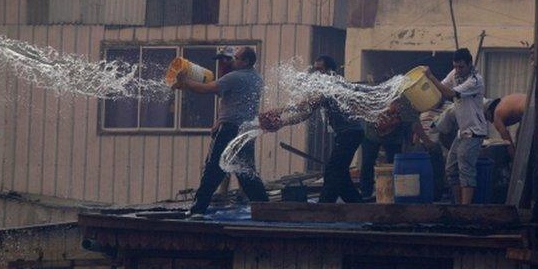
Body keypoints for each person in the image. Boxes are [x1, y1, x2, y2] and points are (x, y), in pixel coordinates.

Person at [175, 46, 269, 216]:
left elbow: (205, 89)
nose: (233, 60)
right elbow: (236, 102)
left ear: (246, 61)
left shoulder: (234, 77)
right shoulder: (257, 78)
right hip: (246, 130)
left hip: (230, 130)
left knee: (213, 169)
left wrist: (185, 81)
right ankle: (266, 208)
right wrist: (220, 119)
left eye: (237, 58)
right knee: (246, 171)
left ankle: (198, 209)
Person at [259, 56, 364, 203]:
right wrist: (283, 123)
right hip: (345, 133)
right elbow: (306, 113)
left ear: (329, 71)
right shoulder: (324, 86)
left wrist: (280, 110)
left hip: (351, 133)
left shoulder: (333, 83)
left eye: (319, 69)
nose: (316, 73)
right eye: (314, 69)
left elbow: (307, 104)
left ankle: (324, 206)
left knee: (333, 171)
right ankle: (356, 205)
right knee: (339, 172)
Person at [425, 48, 487, 204]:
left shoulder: (475, 80)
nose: (458, 70)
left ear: (469, 64)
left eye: (461, 67)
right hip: (462, 132)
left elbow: (449, 93)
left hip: (474, 132)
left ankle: (465, 208)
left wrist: (431, 77)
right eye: (456, 67)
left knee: (466, 170)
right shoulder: (454, 74)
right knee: (451, 169)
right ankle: (457, 205)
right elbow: (440, 88)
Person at [360, 97, 434, 199]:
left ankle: (394, 192)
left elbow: (415, 123)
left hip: (394, 138)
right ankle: (365, 193)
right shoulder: (375, 98)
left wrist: (426, 141)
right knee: (367, 162)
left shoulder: (404, 102)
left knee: (394, 164)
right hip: (372, 134)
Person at [485, 93, 527, 158]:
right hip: (532, 103)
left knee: (522, 141)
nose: (489, 121)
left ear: (488, 112)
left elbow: (507, 141)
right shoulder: (504, 102)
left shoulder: (497, 116)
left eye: (486, 118)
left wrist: (513, 159)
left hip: (528, 110)